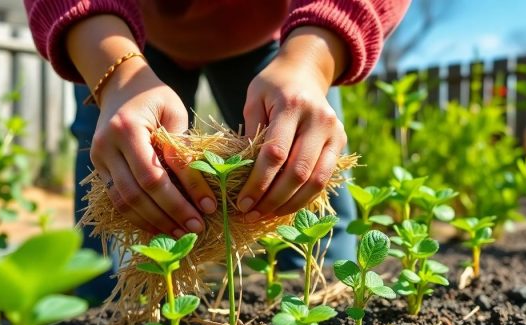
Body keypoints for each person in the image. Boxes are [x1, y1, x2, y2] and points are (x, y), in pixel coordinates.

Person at [23, 1, 411, 302]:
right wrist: (116, 78)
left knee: (308, 187)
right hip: (116, 31)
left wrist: (309, 64)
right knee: (114, 189)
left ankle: (314, 317)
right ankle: (97, 320)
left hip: (282, 37)